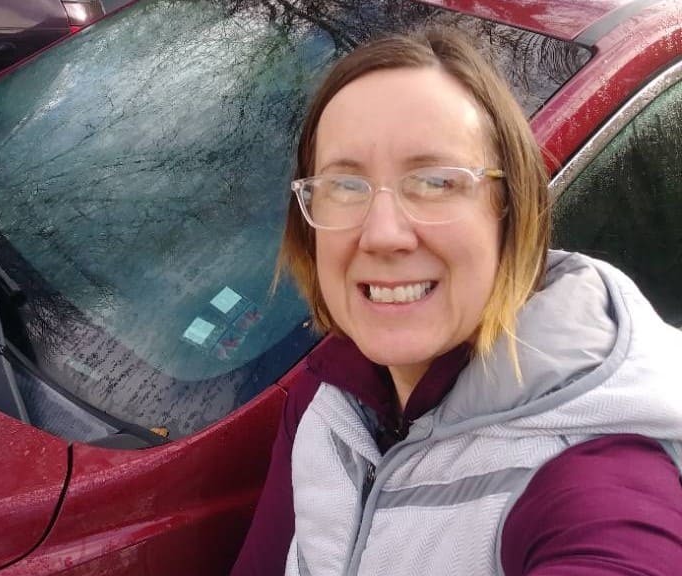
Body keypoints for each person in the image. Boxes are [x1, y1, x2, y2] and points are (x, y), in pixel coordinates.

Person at [232, 29, 682, 575]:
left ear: (510, 213)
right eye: (345, 185)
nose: (381, 234)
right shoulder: (328, 400)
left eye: (437, 181)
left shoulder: (592, 481)